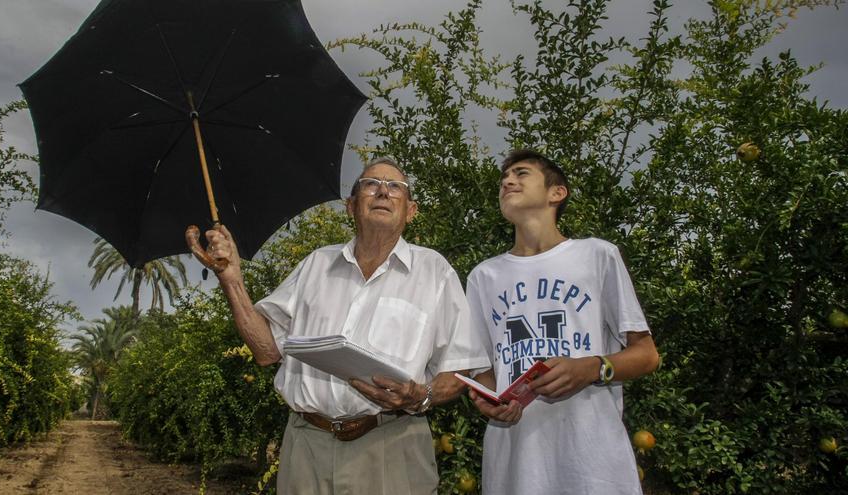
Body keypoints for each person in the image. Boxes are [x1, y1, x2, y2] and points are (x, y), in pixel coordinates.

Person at [204, 157, 488, 494]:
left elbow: (459, 368)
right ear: (351, 207)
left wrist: (421, 395)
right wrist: (231, 279)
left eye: (395, 187)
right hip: (306, 447)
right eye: (370, 184)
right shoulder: (316, 264)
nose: (383, 191)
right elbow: (266, 351)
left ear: (411, 210)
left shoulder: (435, 272)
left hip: (391, 447)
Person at [465, 149, 660, 494]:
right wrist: (489, 403)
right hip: (515, 465)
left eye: (521, 173)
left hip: (592, 463)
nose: (507, 181)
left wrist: (591, 368)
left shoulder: (597, 255)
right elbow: (483, 371)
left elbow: (646, 354)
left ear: (557, 192)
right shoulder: (484, 276)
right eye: (503, 178)